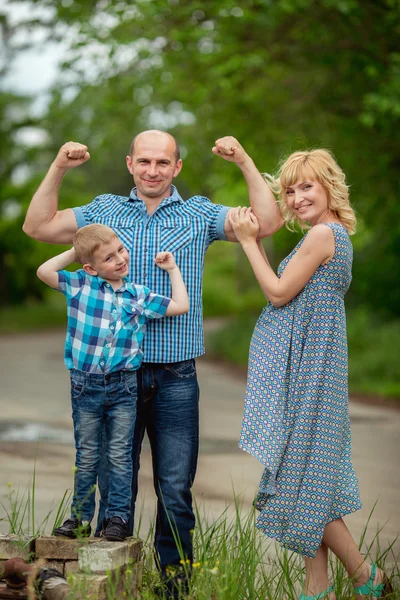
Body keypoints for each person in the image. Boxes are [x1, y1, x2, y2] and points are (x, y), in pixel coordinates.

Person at [23, 131, 282, 596]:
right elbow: (37, 228)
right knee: (111, 481)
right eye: (144, 161)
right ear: (129, 163)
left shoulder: (199, 213)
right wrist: (59, 165)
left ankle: (175, 586)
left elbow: (265, 222)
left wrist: (243, 159)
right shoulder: (104, 211)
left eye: (162, 162)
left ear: (176, 167)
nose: (152, 170)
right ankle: (103, 583)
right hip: (113, 377)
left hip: (175, 375)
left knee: (176, 488)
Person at [227, 148, 393, 600]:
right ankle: (317, 588)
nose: (298, 197)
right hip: (311, 365)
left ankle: (363, 575)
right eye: (290, 190)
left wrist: (248, 242)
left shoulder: (323, 235)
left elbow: (279, 293)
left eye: (307, 186)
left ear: (328, 187)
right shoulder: (327, 234)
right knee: (308, 476)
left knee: (303, 477)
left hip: (315, 370)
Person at [36, 223, 189, 542]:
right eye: (109, 257)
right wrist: (77, 252)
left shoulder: (139, 295)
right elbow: (44, 271)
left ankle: (117, 516)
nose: (120, 259)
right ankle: (79, 518)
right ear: (91, 267)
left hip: (123, 387)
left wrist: (173, 269)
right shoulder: (79, 284)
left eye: (120, 250)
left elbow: (180, 306)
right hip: (84, 386)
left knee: (120, 454)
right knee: (87, 454)